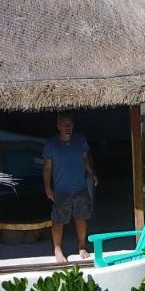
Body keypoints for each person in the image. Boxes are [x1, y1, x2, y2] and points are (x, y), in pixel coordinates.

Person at [42, 113, 98, 263]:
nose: (67, 127)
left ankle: (81, 246)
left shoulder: (80, 140)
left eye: (70, 124)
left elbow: (86, 159)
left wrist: (92, 173)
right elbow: (47, 168)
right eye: (64, 124)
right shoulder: (51, 145)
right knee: (58, 221)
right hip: (61, 190)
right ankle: (58, 249)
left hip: (80, 187)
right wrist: (47, 188)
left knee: (81, 218)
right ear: (58, 126)